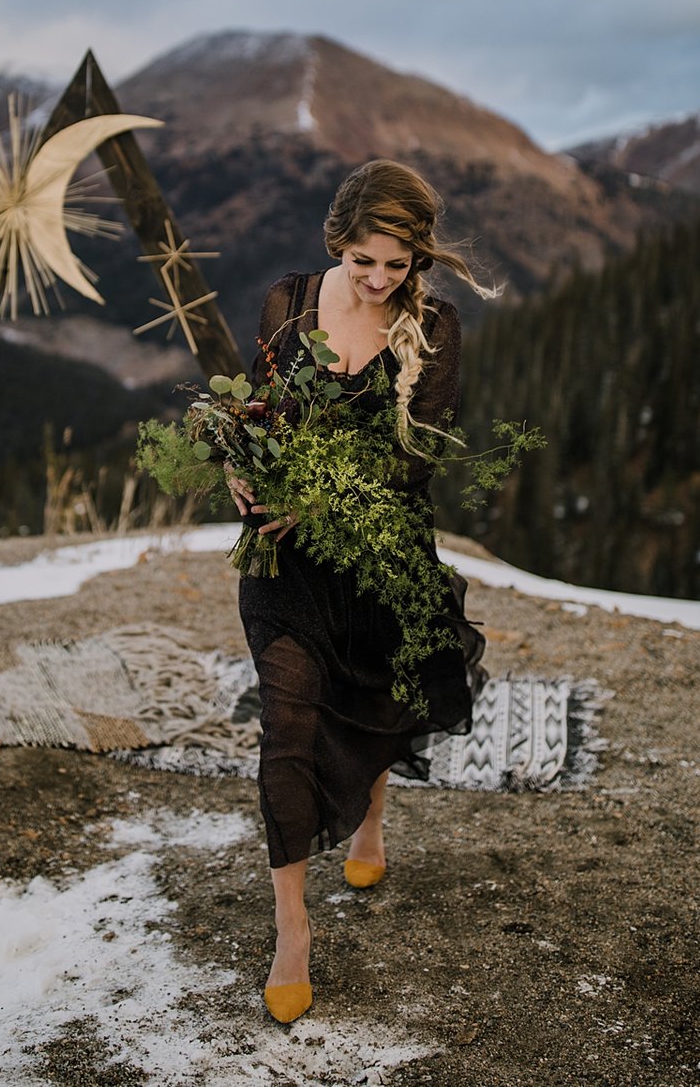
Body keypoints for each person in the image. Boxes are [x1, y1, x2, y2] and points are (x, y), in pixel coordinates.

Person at [227, 159, 490, 1025]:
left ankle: (372, 820)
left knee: (372, 699)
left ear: (418, 260)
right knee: (290, 723)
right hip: (286, 564)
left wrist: (321, 495)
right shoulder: (288, 304)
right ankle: (292, 929)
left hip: (381, 555)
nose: (381, 280)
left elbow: (414, 460)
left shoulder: (437, 330)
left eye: (399, 264)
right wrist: (242, 465)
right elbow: (257, 410)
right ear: (336, 242)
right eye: (365, 261)